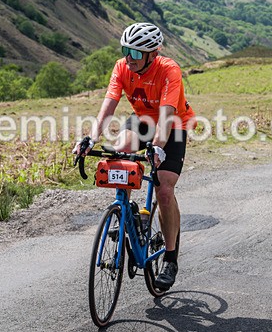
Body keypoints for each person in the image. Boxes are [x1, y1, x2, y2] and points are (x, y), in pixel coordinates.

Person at [73, 22, 195, 291]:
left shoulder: (169, 70)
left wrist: (158, 147)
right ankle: (128, 213)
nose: (130, 57)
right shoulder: (121, 67)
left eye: (137, 53)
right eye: (126, 50)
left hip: (173, 125)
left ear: (153, 53)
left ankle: (171, 259)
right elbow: (107, 108)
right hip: (141, 120)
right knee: (121, 153)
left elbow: (166, 116)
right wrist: (90, 138)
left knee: (164, 188)